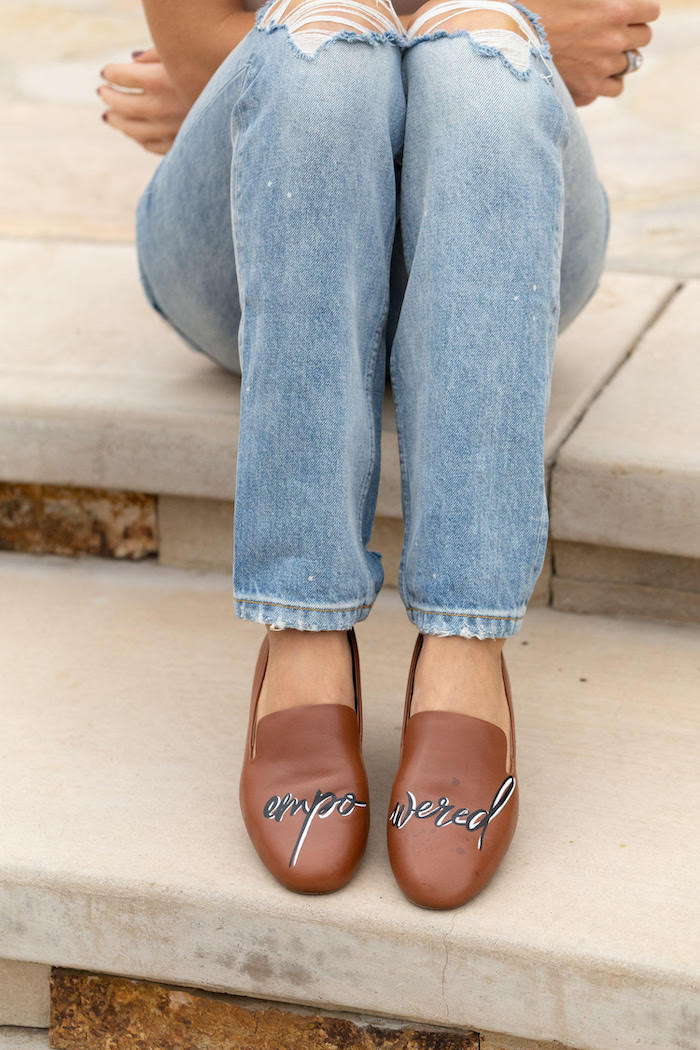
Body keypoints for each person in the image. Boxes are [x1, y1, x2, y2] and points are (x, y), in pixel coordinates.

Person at [98, 0, 658, 909]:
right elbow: (201, 51)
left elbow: (605, 42)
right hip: (249, 233)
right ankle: (305, 625)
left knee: (479, 64)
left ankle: (465, 641)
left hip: (499, 201)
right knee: (328, 55)